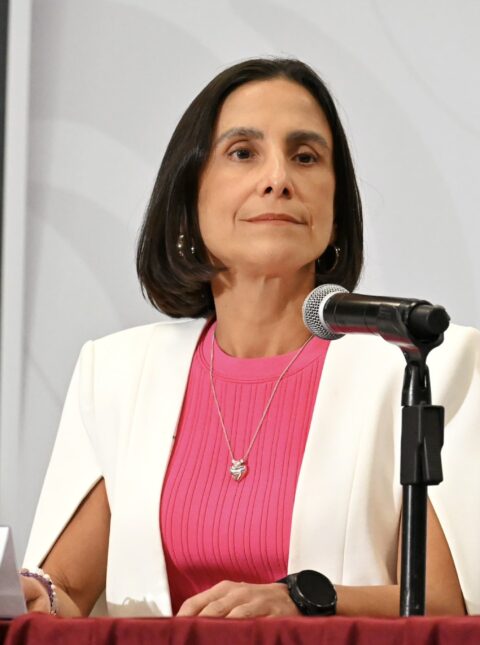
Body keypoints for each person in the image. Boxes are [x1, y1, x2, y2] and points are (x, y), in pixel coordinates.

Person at [20, 58, 479, 618]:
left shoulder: (423, 362)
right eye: (243, 153)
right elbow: (64, 589)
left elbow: (443, 603)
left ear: (336, 210)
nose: (278, 178)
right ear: (188, 200)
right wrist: (34, 595)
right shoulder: (117, 373)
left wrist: (301, 603)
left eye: (305, 157)